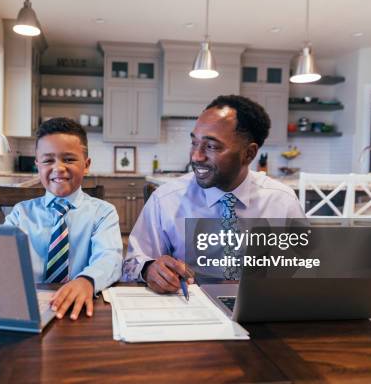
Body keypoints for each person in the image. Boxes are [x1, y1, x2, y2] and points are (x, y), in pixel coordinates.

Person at [122, 95, 305, 292]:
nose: (196, 156)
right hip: (187, 310)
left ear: (249, 154)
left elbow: (307, 268)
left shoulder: (282, 201)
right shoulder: (166, 200)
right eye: (194, 143)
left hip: (260, 309)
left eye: (211, 146)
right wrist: (149, 269)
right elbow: (131, 264)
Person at [5, 117, 123, 320]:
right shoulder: (20, 214)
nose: (58, 168)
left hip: (81, 308)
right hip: (28, 307)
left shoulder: (103, 213)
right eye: (48, 160)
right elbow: (0, 258)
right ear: (37, 165)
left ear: (86, 165)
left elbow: (110, 257)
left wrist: (87, 280)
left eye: (68, 159)